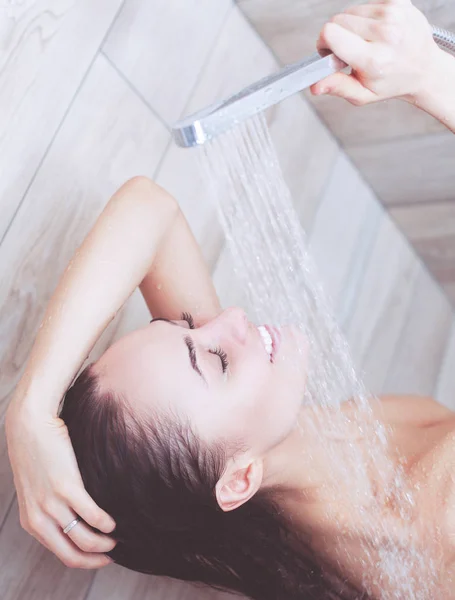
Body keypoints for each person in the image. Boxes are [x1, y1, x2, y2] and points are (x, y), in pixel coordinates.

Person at [5, 0, 455, 598]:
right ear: (238, 479)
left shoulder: (249, 487)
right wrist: (432, 79)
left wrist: (31, 407)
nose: (231, 320)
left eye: (187, 325)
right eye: (214, 359)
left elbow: (150, 213)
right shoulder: (431, 528)